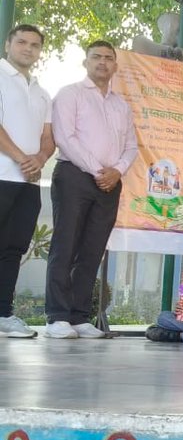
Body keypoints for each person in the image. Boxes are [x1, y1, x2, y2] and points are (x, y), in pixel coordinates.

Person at [44, 40, 138, 339]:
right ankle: (57, 316)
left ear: (115, 66)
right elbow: (65, 137)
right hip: (74, 176)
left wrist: (116, 172)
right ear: (86, 62)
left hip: (110, 182)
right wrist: (99, 170)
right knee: (65, 245)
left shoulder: (121, 105)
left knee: (92, 250)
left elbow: (132, 146)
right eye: (96, 57)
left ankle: (79, 316)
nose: (102, 62)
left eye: (108, 58)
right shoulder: (69, 94)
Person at [0, 24, 53, 339]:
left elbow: (48, 137)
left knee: (13, 249)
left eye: (35, 44)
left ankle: (3, 314)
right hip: (2, 176)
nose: (28, 49)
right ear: (8, 44)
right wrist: (23, 158)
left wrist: (40, 160)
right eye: (22, 42)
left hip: (29, 184)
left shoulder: (42, 91)